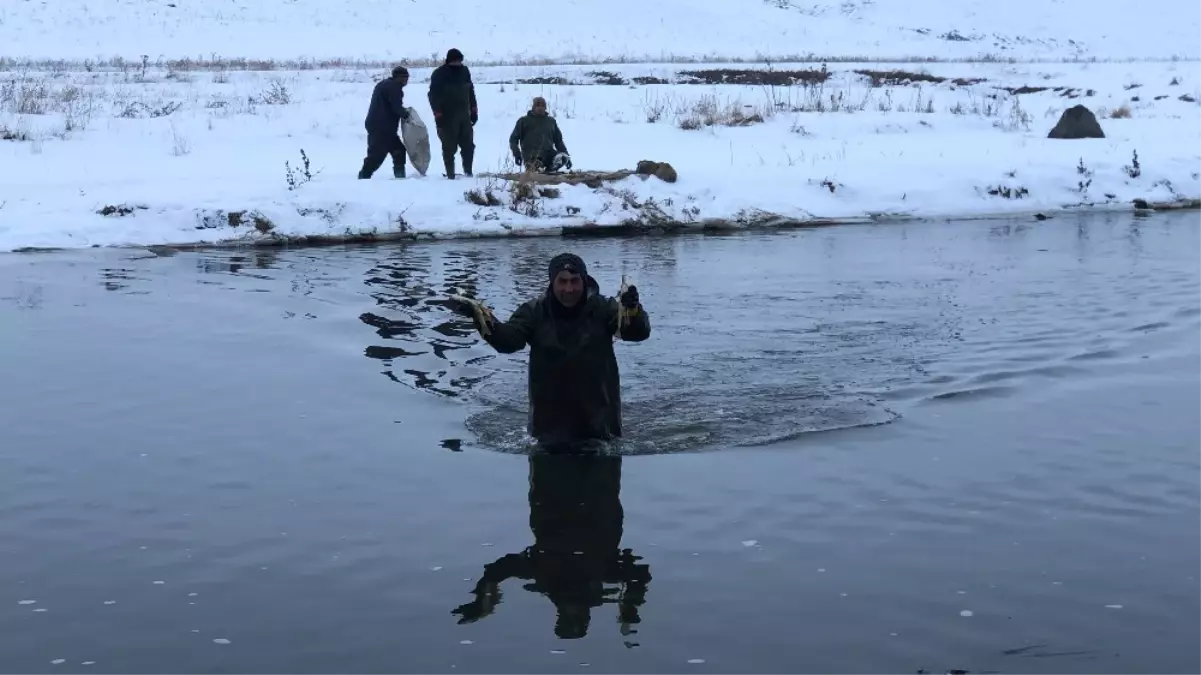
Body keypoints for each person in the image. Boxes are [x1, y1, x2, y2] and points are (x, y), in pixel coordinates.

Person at [451, 453, 651, 639]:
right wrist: (630, 606)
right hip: (582, 493)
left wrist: (631, 603)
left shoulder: (551, 574)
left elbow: (497, 571)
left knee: (575, 454)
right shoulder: (567, 573)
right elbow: (497, 571)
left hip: (570, 490)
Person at [471, 253, 650, 449]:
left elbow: (636, 332)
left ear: (584, 280)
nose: (569, 289)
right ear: (551, 283)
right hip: (547, 429)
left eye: (575, 281)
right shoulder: (534, 312)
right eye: (562, 281)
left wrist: (632, 310)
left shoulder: (603, 308)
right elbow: (509, 341)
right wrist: (482, 320)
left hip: (600, 428)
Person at [427, 48, 478, 179]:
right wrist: (438, 114)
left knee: (468, 146)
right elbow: (433, 95)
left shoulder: (465, 71)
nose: (458, 63)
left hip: (464, 116)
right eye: (455, 61)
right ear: (449, 60)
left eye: (459, 61)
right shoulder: (439, 74)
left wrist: (474, 110)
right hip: (447, 117)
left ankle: (468, 173)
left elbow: (470, 91)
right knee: (449, 148)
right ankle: (450, 176)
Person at [358, 65, 411, 179]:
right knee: (377, 155)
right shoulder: (394, 87)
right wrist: (406, 115)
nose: (406, 80)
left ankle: (400, 178)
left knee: (399, 151)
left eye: (407, 77)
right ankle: (363, 177)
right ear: (397, 77)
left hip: (381, 125)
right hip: (382, 126)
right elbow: (396, 107)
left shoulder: (384, 84)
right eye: (404, 78)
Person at [509, 96, 572, 173]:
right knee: (536, 171)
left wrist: (567, 158)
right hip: (532, 156)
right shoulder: (523, 121)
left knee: (563, 157)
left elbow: (558, 141)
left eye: (542, 105)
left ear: (545, 107)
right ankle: (536, 172)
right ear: (533, 107)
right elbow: (513, 139)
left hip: (549, 154)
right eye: (538, 105)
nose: (540, 108)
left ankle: (550, 171)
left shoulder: (551, 122)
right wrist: (517, 154)